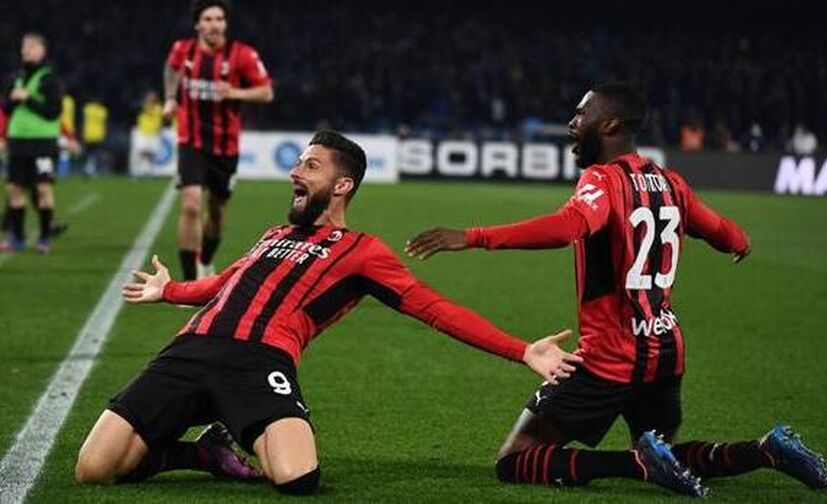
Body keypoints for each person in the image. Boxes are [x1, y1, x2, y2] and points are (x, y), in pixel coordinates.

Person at [74, 130, 583, 495]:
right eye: (299, 162)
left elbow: (434, 309)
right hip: (188, 351)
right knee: (93, 469)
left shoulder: (363, 251)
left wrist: (521, 350)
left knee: (297, 477)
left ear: (342, 186)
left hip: (260, 362)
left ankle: (227, 438)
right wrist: (171, 291)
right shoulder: (273, 234)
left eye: (311, 166)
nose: (295, 172)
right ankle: (200, 452)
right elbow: (224, 283)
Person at [406, 83, 827, 497]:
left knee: (515, 461)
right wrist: (738, 241)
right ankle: (766, 451)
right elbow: (724, 232)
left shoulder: (603, 180)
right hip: (665, 353)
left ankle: (638, 465)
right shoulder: (672, 183)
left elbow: (569, 226)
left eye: (581, 114)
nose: (572, 122)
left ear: (611, 124)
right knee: (666, 453)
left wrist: (475, 236)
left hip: (609, 357)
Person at [163, 0, 273, 280]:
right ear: (197, 25)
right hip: (191, 141)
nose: (214, 24)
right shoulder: (182, 49)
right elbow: (171, 69)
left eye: (219, 19)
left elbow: (266, 92)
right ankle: (189, 282)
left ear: (225, 24)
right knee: (191, 204)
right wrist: (170, 99)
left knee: (217, 210)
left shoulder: (243, 55)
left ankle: (206, 259)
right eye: (208, 19)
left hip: (225, 147)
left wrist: (235, 93)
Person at [1, 32, 62, 253]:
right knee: (14, 189)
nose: (26, 50)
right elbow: (6, 109)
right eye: (24, 46)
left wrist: (28, 99)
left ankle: (44, 237)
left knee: (43, 189)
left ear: (42, 50)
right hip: (18, 141)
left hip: (42, 143)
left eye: (32, 46)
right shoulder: (16, 77)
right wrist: (12, 99)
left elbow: (53, 111)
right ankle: (17, 238)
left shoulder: (49, 79)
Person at [134, 90, 163, 173]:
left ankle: (150, 171)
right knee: (140, 152)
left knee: (152, 153)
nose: (151, 99)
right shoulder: (141, 107)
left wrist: (147, 107)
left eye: (153, 97)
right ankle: (138, 170)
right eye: (150, 97)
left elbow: (154, 113)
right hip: (143, 132)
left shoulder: (158, 108)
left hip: (153, 133)